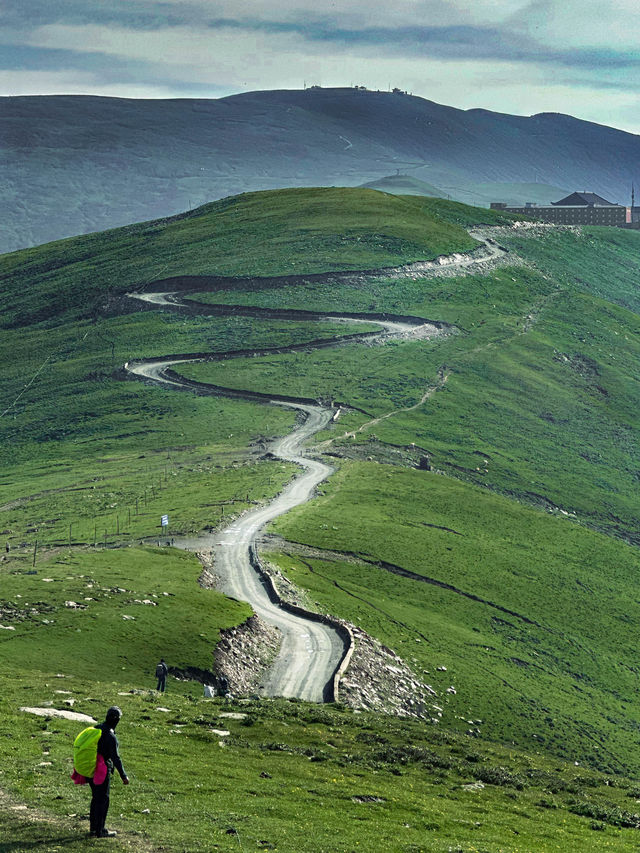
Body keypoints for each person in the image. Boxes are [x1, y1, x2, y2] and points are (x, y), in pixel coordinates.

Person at [89, 706, 129, 838]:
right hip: (102, 769)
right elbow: (115, 758)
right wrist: (123, 775)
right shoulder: (111, 736)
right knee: (103, 800)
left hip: (90, 766)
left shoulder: (97, 728)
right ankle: (100, 830)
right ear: (117, 720)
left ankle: (93, 828)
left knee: (96, 798)